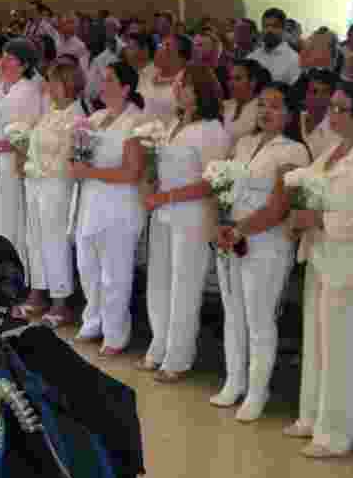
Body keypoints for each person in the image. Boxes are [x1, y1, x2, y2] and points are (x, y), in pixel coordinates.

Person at [286, 81, 353, 458]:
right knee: (315, 342)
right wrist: (302, 215)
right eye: (331, 106)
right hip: (320, 256)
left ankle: (336, 433)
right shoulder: (333, 151)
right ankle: (310, 416)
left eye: (339, 108)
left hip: (352, 266)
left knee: (342, 351)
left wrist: (322, 219)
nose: (330, 114)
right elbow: (308, 186)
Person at [212, 82, 311, 419]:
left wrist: (240, 229)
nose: (266, 112)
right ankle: (233, 381)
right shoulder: (244, 142)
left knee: (259, 318)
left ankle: (257, 390)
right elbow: (221, 186)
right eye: (262, 105)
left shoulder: (294, 151)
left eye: (275, 106)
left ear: (290, 113)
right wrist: (222, 224)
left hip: (267, 242)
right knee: (233, 314)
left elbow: (280, 206)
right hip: (232, 236)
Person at [142, 65, 230, 382]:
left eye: (186, 85)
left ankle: (178, 357)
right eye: (177, 83)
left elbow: (211, 183)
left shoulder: (212, 130)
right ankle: (158, 346)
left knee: (184, 286)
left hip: (192, 215)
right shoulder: (174, 124)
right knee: (159, 281)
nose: (178, 90)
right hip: (164, 212)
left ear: (202, 91)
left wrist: (166, 197)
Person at [70, 61, 147, 357]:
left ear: (126, 88)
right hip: (91, 201)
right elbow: (80, 156)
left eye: (110, 80)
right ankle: (93, 321)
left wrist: (88, 172)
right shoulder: (97, 116)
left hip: (120, 204)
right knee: (87, 265)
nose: (102, 85)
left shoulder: (136, 122)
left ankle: (116, 332)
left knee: (115, 272)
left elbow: (132, 172)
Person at [18, 60, 88, 326]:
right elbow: (35, 145)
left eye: (54, 82)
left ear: (67, 84)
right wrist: (29, 166)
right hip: (36, 184)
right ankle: (37, 293)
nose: (49, 87)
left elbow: (66, 156)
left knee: (55, 242)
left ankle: (61, 301)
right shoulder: (50, 112)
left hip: (57, 186)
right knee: (34, 238)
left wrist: (40, 170)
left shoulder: (77, 116)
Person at [0, 38, 46, 263]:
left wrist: (4, 145)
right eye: (2, 57)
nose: (3, 63)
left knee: (5, 212)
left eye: (10, 59)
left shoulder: (29, 91)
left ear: (24, 65)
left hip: (9, 159)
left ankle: (8, 266)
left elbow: (30, 129)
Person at [141, 34, 191, 124]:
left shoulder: (187, 83)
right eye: (161, 45)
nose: (159, 49)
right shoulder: (147, 72)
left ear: (182, 57)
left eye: (167, 47)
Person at [222, 59, 270, 150]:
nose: (231, 83)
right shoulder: (225, 105)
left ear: (253, 82)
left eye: (237, 79)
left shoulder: (262, 109)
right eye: (229, 78)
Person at [251, 8, 301, 85]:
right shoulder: (252, 57)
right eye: (265, 26)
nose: (269, 30)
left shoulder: (294, 59)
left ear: (284, 29)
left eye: (275, 26)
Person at [299, 68, 339, 161]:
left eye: (325, 93)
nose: (318, 98)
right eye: (313, 92)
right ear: (305, 95)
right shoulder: (292, 120)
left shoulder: (337, 132)